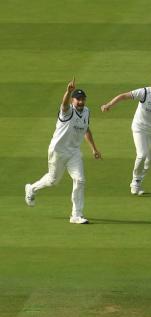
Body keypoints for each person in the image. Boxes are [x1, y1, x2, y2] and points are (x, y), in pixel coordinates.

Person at [24, 79, 102, 224]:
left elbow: (86, 129)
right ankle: (32, 188)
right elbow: (65, 104)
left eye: (82, 99)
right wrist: (68, 91)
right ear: (73, 100)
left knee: (80, 180)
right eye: (78, 99)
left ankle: (76, 215)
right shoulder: (67, 111)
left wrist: (94, 149)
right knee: (53, 181)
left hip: (74, 153)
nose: (80, 102)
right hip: (58, 151)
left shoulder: (86, 112)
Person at [100, 74, 151, 195]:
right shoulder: (144, 92)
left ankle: (139, 180)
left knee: (149, 161)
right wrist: (109, 105)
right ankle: (135, 181)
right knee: (142, 154)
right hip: (139, 127)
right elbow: (123, 96)